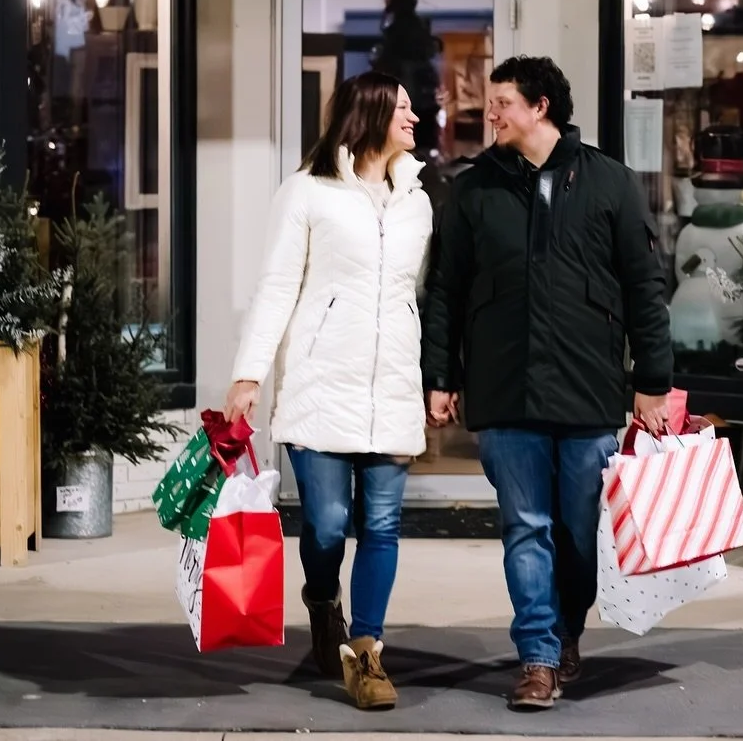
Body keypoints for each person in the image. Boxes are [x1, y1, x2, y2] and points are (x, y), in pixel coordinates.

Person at [421, 55, 672, 711]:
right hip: (504, 388)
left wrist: (653, 381)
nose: (490, 114)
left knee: (577, 533)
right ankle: (537, 656)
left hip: (588, 389)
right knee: (525, 527)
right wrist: (440, 375)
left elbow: (645, 288)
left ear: (540, 107)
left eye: (502, 102)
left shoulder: (610, 183)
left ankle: (567, 631)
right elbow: (445, 289)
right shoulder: (473, 190)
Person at [224, 71, 432, 712]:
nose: (415, 118)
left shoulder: (417, 200)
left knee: (384, 525)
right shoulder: (307, 191)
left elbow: (413, 295)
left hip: (391, 386)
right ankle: (321, 599)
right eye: (403, 108)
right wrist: (249, 374)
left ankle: (367, 652)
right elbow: (277, 286)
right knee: (328, 522)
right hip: (320, 384)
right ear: (370, 114)